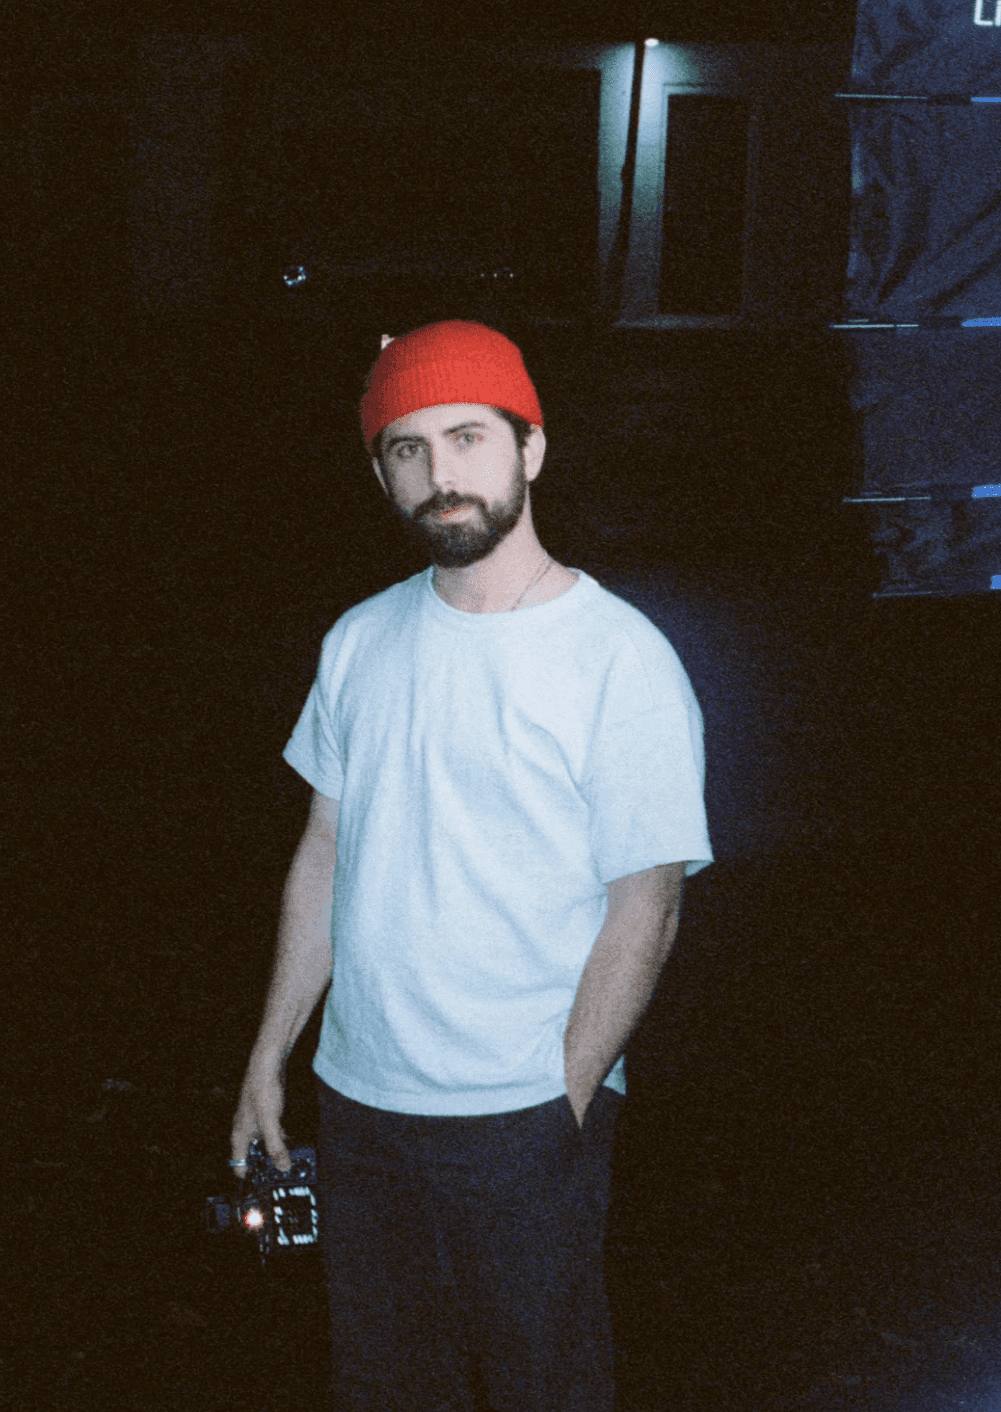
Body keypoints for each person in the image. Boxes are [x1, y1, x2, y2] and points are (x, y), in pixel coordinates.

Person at [230, 320, 713, 1412]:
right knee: (388, 1385)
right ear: (380, 471)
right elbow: (327, 851)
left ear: (530, 449)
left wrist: (564, 1097)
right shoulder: (359, 639)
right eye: (406, 448)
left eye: (467, 435)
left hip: (522, 1111)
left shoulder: (618, 658)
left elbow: (649, 904)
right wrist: (273, 1049)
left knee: (548, 1385)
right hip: (360, 1104)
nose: (439, 473)